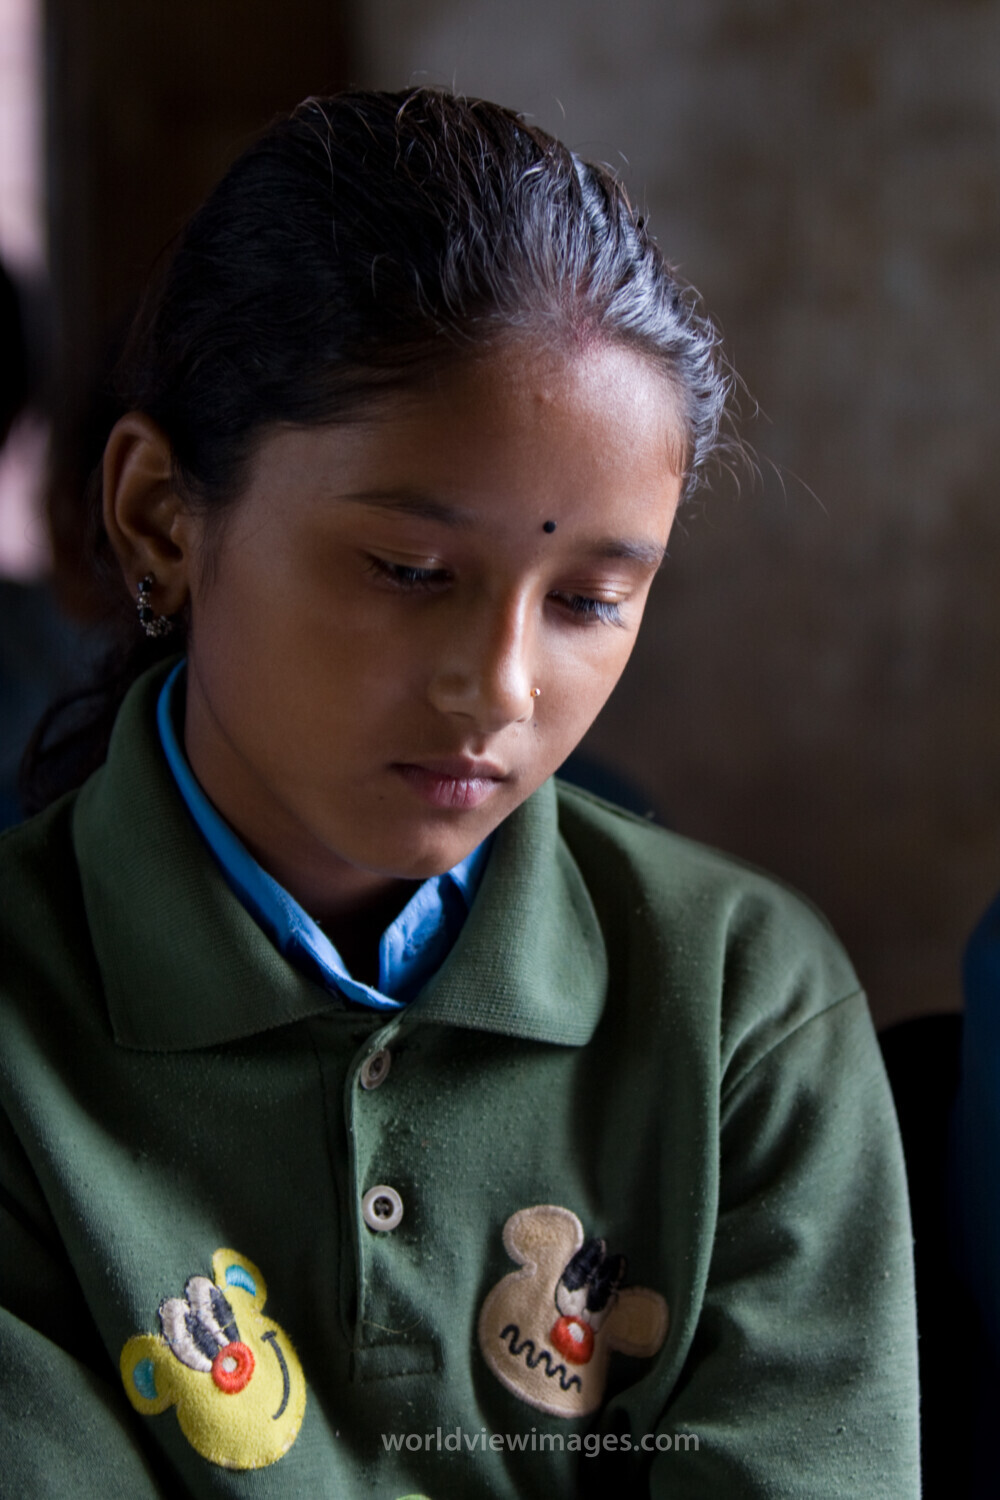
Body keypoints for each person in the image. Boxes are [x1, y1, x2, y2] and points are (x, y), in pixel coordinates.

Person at [0, 89, 918, 1497]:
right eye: (409, 573)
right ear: (159, 520)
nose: (500, 690)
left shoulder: (745, 1008)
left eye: (593, 599)